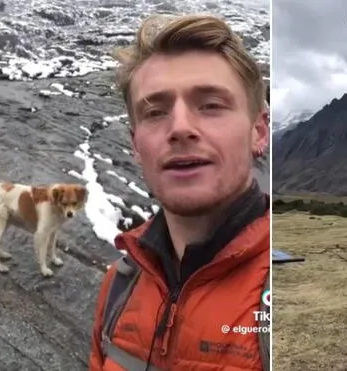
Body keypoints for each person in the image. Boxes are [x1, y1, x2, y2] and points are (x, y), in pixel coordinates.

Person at [88, 13, 270, 371]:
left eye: (211, 106)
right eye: (155, 112)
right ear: (136, 145)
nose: (181, 128)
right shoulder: (119, 285)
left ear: (259, 131)